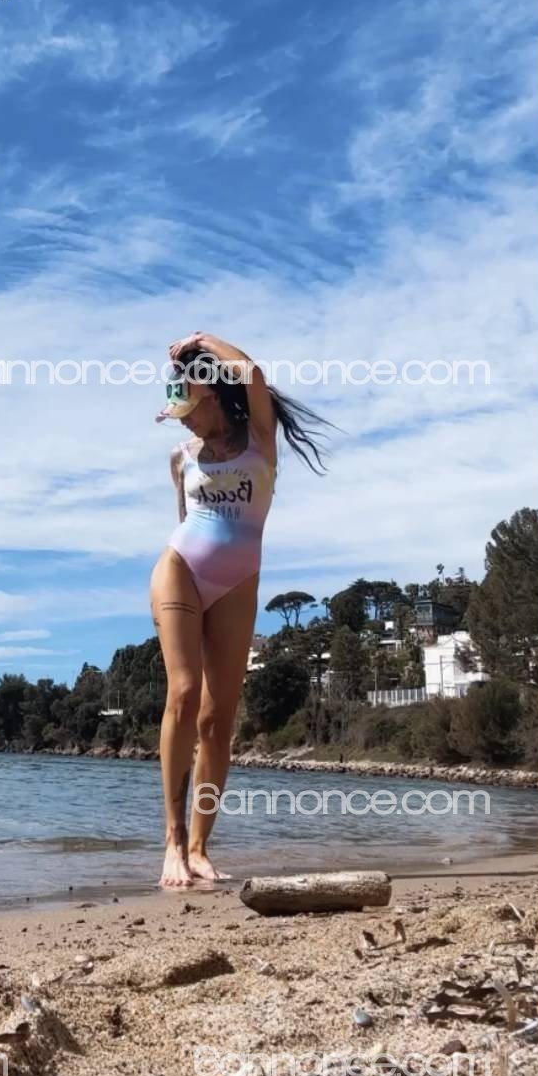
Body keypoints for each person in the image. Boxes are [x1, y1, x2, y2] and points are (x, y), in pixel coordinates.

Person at [151, 331, 331, 888]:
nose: (184, 423)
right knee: (184, 693)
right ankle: (172, 842)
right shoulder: (181, 458)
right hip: (180, 568)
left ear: (210, 394)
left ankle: (200, 847)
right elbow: (185, 521)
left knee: (217, 720)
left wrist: (204, 340)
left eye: (188, 410)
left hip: (238, 584)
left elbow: (252, 375)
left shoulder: (260, 440)